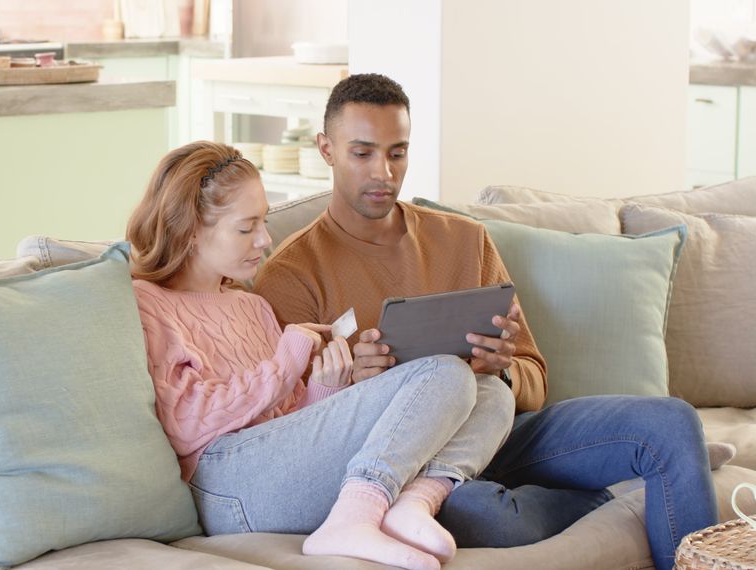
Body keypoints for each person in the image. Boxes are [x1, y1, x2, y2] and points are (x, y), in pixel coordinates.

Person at [252, 73, 719, 570]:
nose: (384, 173)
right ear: (326, 149)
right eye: (362, 153)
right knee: (480, 513)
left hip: (501, 432)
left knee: (671, 421)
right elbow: (290, 436)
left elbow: (536, 381)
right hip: (412, 474)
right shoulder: (289, 275)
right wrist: (353, 387)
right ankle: (604, 500)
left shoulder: (465, 240)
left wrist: (503, 368)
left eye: (397, 152)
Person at [125, 141, 516, 570]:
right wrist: (285, 364)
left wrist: (323, 387)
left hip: (280, 473)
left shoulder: (249, 305)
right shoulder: (149, 303)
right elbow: (186, 424)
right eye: (246, 228)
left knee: (491, 390)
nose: (264, 239)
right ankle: (357, 515)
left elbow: (288, 423)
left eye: (264, 222)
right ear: (191, 230)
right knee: (443, 371)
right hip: (226, 485)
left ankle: (413, 502)